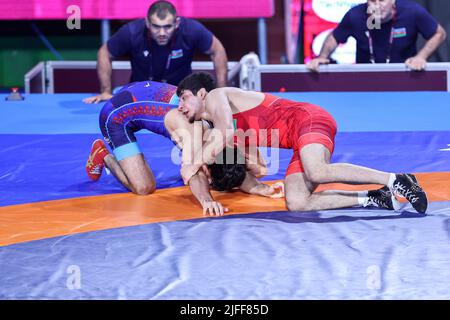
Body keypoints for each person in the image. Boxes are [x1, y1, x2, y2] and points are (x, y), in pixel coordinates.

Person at [174, 72, 428, 216]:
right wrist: (254, 183)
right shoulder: (214, 124)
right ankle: (374, 198)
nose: (181, 106)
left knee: (317, 170)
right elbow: (259, 166)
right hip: (298, 140)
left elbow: (225, 134)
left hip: (308, 119)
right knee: (297, 202)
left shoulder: (218, 96)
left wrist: (194, 164)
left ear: (202, 94)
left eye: (184, 98)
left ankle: (396, 180)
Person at [86, 80, 283, 200]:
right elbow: (192, 174)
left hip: (141, 90)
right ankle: (104, 155)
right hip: (116, 114)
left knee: (252, 167)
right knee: (144, 187)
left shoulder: (225, 124)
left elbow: (259, 168)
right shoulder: (190, 131)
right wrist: (207, 200)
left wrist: (259, 187)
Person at [83, 0, 228, 104]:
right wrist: (106, 91)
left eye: (167, 27)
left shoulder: (191, 29)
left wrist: (221, 91)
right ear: (147, 23)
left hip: (182, 96)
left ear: (177, 23)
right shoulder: (132, 31)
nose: (162, 33)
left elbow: (218, 50)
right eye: (156, 27)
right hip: (140, 95)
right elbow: (104, 52)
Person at [307, 0, 446, 72]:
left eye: (382, 1)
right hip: (366, 79)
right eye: (373, 1)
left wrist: (420, 57)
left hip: (405, 76)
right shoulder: (355, 15)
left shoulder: (412, 11)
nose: (377, 5)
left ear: (392, 1)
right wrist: (322, 57)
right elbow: (335, 37)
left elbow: (439, 33)